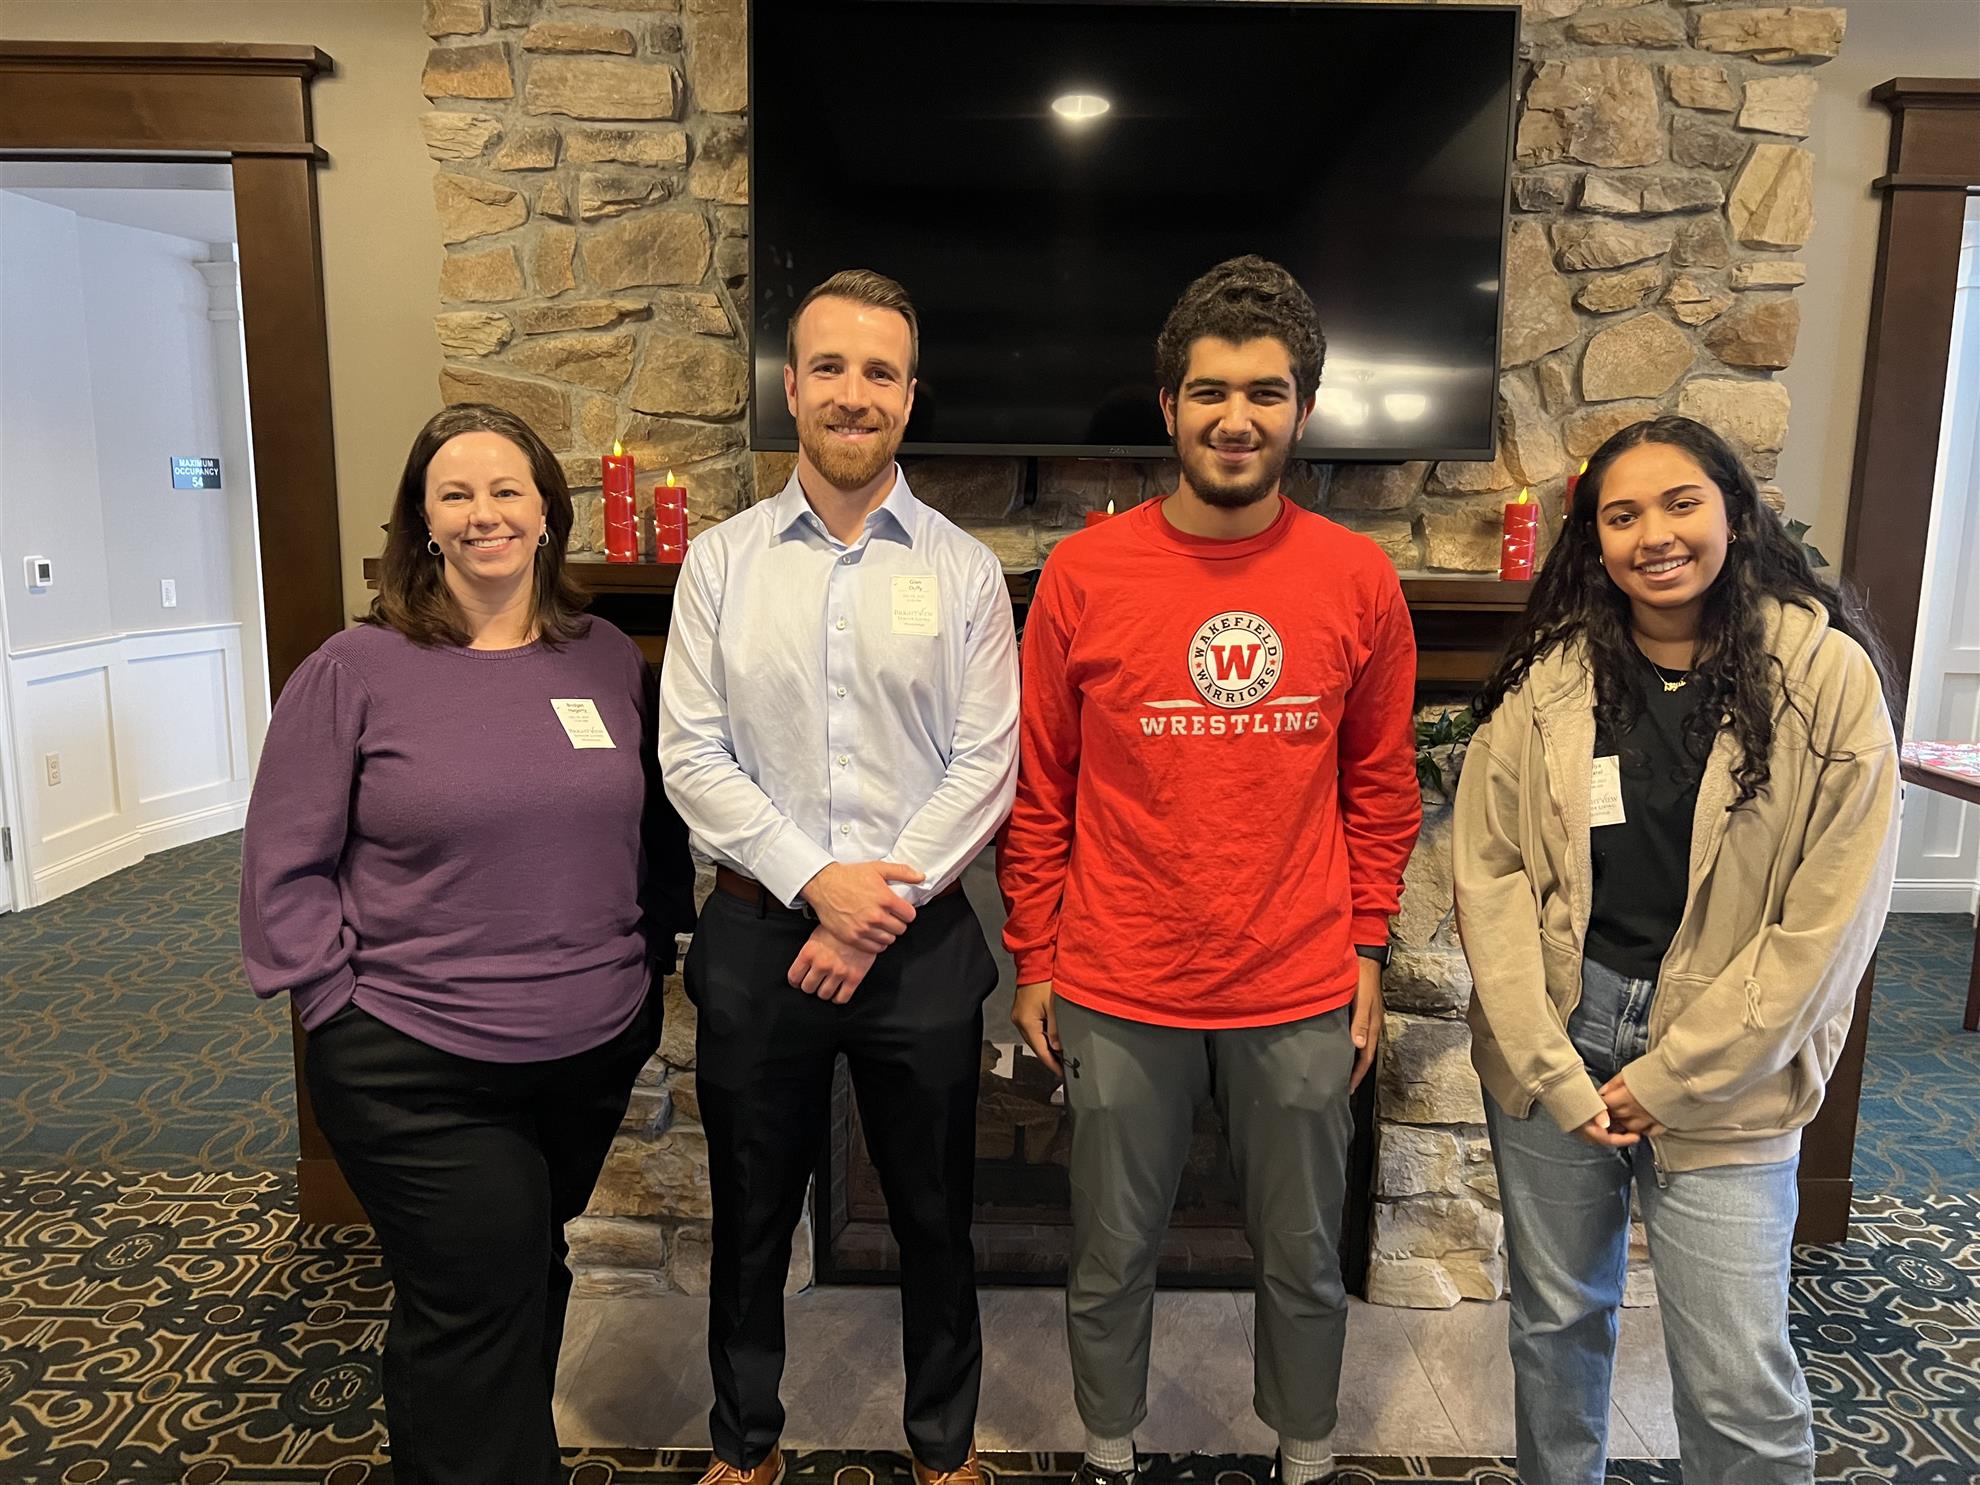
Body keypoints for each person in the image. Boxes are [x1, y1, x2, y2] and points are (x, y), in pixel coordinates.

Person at [998, 255, 1421, 1485]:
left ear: (1303, 410)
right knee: (1108, 1250)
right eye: (1212, 392)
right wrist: (1035, 956)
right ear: (1170, 405)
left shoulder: (1357, 578)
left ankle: (1306, 1451)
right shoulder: (1084, 575)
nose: (1238, 418)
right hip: (1117, 979)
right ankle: (1107, 1449)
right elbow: (1042, 788)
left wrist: (1368, 949)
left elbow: (1381, 788)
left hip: (1297, 979)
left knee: (1303, 1255)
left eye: (1266, 393)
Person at [240, 402, 694, 1485]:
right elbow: (282, 864)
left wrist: (646, 971)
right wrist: (333, 1009)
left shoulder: (604, 658)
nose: (483, 513)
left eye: (505, 491)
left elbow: (649, 832)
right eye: (455, 494)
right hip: (415, 1058)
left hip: (587, 1049)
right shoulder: (355, 668)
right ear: (423, 521)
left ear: (547, 513)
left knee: (522, 1276)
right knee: (478, 1296)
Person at [1453, 415, 1901, 1485]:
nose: (1653, 534)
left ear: (1735, 513)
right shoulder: (1553, 678)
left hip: (1736, 1062)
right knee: (1555, 1324)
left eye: (1680, 503)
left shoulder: (1825, 678)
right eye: (1622, 515)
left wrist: (1676, 1074)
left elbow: (1829, 923)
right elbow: (1491, 872)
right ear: (1595, 541)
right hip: (1561, 1039)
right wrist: (1549, 1065)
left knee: (1736, 1375)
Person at [659, 269, 1019, 1485]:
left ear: (910, 396)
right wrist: (820, 884)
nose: (853, 394)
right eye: (830, 368)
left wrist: (874, 910)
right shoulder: (721, 564)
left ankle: (944, 1450)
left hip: (919, 946)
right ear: (791, 386)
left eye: (880, 372)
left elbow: (986, 765)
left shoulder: (964, 571)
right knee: (750, 1214)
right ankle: (745, 1446)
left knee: (934, 1215)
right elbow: (691, 756)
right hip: (760, 938)